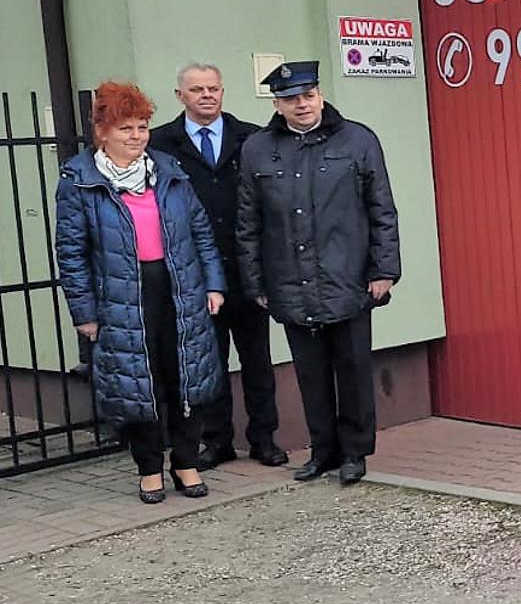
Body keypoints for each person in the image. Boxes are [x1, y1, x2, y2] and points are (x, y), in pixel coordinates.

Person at [55, 81, 225, 504]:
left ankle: (185, 462)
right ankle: (149, 468)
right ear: (103, 133)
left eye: (142, 127)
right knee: (136, 385)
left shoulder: (169, 172)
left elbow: (201, 233)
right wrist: (84, 313)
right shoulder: (81, 181)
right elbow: (71, 252)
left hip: (179, 289)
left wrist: (214, 283)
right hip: (121, 297)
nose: (137, 136)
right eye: (126, 128)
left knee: (186, 378)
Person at [235, 61, 400, 485]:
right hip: (289, 280)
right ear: (277, 104)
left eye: (308, 96)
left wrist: (384, 270)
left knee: (353, 370)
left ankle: (355, 453)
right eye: (291, 99)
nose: (302, 105)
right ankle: (322, 451)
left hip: (348, 277)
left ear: (320, 96)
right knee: (310, 374)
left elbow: (381, 210)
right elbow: (248, 223)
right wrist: (256, 284)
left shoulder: (358, 140)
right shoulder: (258, 149)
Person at [149, 62, 287, 468]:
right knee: (209, 362)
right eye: (197, 90)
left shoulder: (251, 138)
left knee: (258, 361)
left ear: (223, 92)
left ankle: (264, 439)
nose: (206, 95)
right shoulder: (161, 145)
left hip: (247, 268)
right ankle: (217, 440)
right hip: (195, 273)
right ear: (181, 96)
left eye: (213, 88)